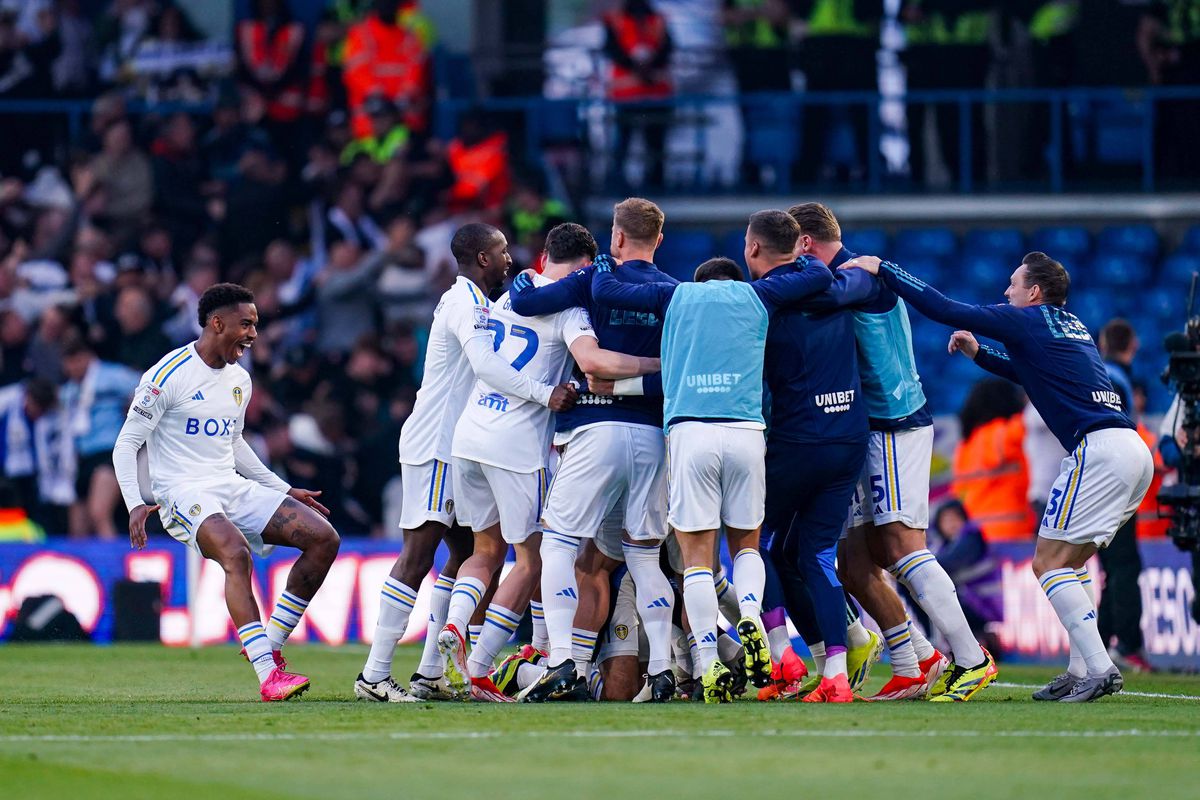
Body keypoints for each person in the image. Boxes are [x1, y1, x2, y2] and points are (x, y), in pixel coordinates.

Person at [844, 251, 1154, 702]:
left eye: (1013, 284)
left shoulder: (1027, 319)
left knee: (1048, 565)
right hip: (1130, 449)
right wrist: (979, 353)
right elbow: (1027, 372)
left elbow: (944, 307)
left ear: (1034, 292)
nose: (1005, 292)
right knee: (1071, 563)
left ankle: (1101, 668)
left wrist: (885, 269)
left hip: (1100, 451)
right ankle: (1081, 665)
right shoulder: (1072, 326)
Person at [589, 210, 835, 702]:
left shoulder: (677, 294)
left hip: (691, 435)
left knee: (697, 558)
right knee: (747, 546)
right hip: (746, 432)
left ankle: (705, 660)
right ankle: (749, 615)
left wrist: (600, 259)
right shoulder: (759, 295)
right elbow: (819, 273)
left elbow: (607, 292)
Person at [435, 223, 658, 702]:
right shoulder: (571, 308)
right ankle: (482, 665)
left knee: (485, 549)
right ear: (584, 266)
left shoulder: (507, 297)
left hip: (470, 435)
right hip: (517, 445)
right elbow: (593, 361)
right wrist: (655, 364)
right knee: (533, 558)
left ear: (543, 255)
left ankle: (457, 624)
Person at [355, 223, 576, 703]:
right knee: (418, 556)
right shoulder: (464, 304)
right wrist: (545, 393)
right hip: (436, 445)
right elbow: (487, 367)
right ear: (481, 259)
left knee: (472, 555)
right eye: (500, 252)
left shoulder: (485, 303)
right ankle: (374, 674)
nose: (508, 259)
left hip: (461, 446)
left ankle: (432, 670)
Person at [790, 202, 989, 703]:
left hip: (895, 426)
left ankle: (971, 658)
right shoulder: (840, 275)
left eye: (790, 249)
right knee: (856, 562)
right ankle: (916, 660)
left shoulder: (859, 274)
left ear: (807, 243)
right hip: (864, 429)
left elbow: (833, 298)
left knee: (903, 544)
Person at [111, 283, 342, 701]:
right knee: (236, 554)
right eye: (247, 324)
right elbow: (126, 444)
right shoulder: (167, 375)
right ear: (217, 323)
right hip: (182, 490)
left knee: (324, 539)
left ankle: (268, 645)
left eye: (256, 324)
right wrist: (135, 503)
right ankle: (269, 677)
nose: (254, 334)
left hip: (230, 485)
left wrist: (282, 487)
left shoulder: (240, 379)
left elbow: (234, 443)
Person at [506, 198, 678, 703]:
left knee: (559, 543)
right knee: (644, 556)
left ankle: (562, 662)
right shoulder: (674, 292)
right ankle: (664, 671)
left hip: (595, 428)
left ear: (616, 238)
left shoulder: (592, 280)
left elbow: (525, 301)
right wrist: (653, 366)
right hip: (652, 438)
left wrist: (520, 278)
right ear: (659, 240)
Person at [1097, 318, 1151, 672]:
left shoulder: (1101, 373)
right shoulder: (1116, 379)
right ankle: (1127, 644)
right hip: (1114, 480)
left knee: (1111, 568)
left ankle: (1100, 641)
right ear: (1133, 345)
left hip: (1099, 477)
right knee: (1123, 566)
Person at [59, 334, 140, 540]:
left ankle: (115, 568)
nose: (73, 367)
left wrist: (133, 407)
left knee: (100, 514)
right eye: (68, 362)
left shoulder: (111, 376)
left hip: (108, 453)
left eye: (76, 360)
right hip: (82, 457)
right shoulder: (69, 390)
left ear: (87, 357)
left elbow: (145, 385)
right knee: (77, 528)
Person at [602, 0, 673, 188]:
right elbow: (612, 49)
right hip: (627, 92)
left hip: (656, 92)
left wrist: (646, 70)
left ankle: (656, 181)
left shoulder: (658, 20)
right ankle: (618, 180)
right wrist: (639, 69)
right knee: (623, 140)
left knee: (655, 141)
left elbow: (667, 49)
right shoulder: (614, 20)